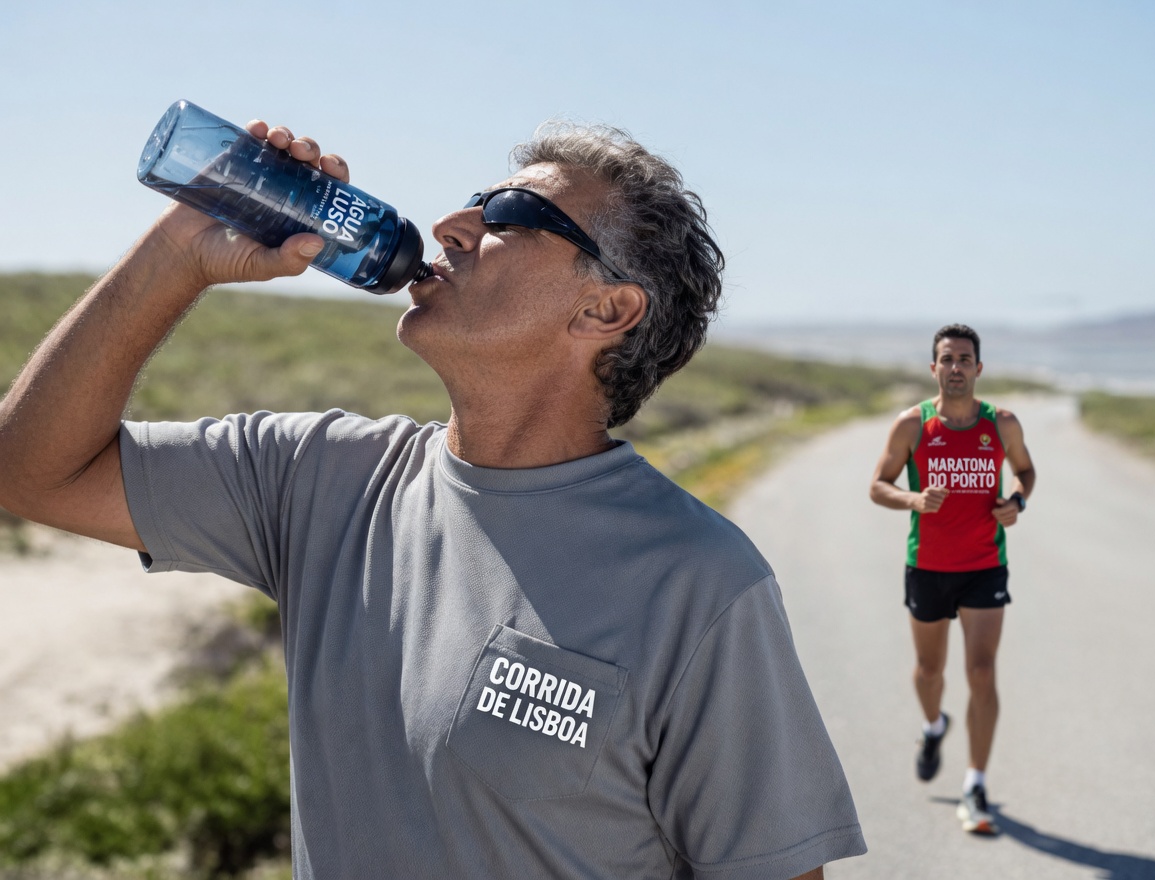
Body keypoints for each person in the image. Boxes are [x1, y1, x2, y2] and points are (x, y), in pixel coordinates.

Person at [0, 117, 866, 879]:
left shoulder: (701, 583)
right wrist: (181, 250)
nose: (452, 225)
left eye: (512, 218)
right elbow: (31, 470)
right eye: (472, 202)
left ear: (606, 310)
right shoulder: (318, 476)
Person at [869, 323, 1036, 835]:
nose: (957, 367)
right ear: (934, 367)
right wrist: (913, 499)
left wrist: (1017, 501)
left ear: (979, 368)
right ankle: (933, 725)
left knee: (982, 672)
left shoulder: (1001, 423)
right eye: (948, 359)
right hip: (928, 566)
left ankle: (975, 781)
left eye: (966, 359)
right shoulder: (912, 425)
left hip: (985, 565)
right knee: (928, 670)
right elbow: (877, 486)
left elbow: (1025, 471)